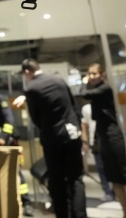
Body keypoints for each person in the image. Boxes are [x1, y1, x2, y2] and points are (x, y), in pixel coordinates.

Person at [17, 59, 86, 218]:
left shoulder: (32, 88)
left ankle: (62, 214)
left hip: (53, 137)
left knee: (57, 180)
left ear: (27, 72)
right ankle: (80, 215)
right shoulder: (59, 80)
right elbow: (73, 107)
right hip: (72, 134)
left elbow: (35, 119)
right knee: (76, 179)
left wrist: (47, 128)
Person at [81, 64, 126, 218]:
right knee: (114, 178)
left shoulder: (105, 89)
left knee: (125, 176)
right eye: (90, 74)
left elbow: (84, 94)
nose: (92, 76)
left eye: (94, 74)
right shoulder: (98, 92)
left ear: (102, 74)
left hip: (113, 134)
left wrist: (83, 82)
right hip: (102, 135)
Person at [0, 83, 34, 216]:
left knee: (16, 171)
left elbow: (9, 122)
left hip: (8, 141)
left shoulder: (0, 100)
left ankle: (26, 202)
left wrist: (3, 137)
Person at [81, 102, 115, 202]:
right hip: (95, 140)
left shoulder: (108, 105)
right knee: (101, 167)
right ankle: (107, 191)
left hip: (110, 139)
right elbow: (84, 126)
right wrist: (85, 142)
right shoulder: (87, 108)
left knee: (113, 167)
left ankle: (115, 191)